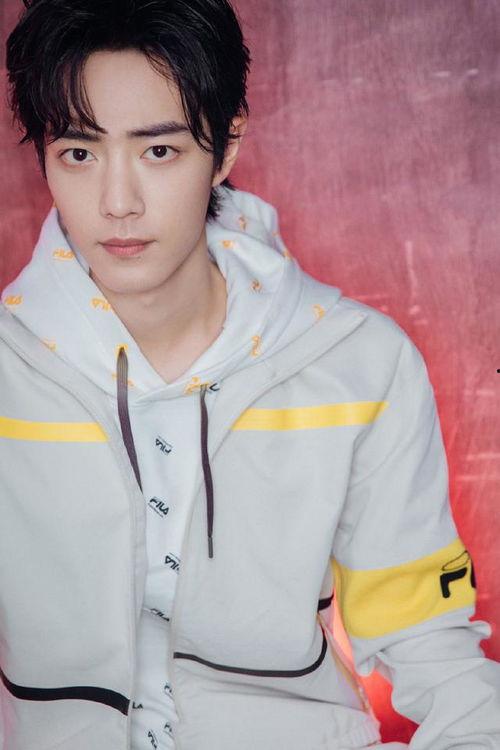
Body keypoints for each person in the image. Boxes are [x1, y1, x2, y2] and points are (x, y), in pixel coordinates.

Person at [1, 1, 499, 748]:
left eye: (159, 151)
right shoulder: (11, 370)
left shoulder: (357, 363)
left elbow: (431, 645)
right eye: (79, 153)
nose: (117, 202)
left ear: (226, 146)